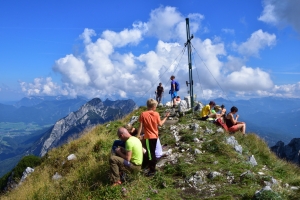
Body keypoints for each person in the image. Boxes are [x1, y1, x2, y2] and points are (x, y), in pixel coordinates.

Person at [137, 98, 170, 176]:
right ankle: (152, 169)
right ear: (153, 106)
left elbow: (141, 126)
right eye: (156, 106)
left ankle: (152, 170)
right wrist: (166, 117)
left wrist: (138, 136)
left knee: (150, 153)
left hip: (148, 137)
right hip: (155, 136)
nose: (156, 108)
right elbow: (160, 124)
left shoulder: (143, 114)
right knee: (152, 152)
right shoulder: (156, 114)